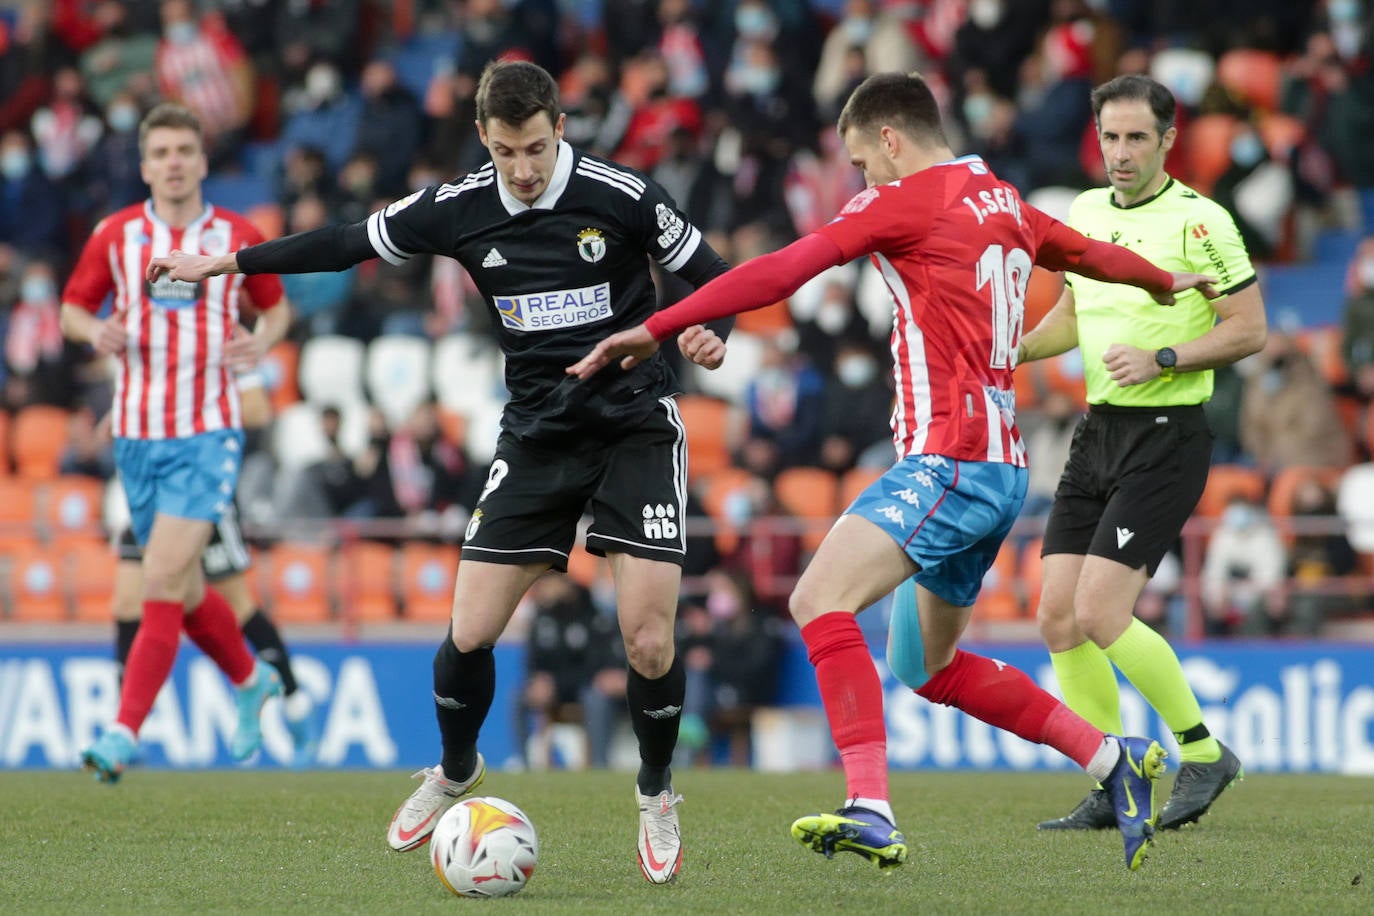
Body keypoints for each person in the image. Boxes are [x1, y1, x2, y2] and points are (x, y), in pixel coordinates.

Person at [568, 71, 1222, 871]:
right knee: (926, 666)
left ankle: (870, 806)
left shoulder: (905, 198)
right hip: (999, 468)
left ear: (889, 139)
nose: (861, 181)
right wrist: (1164, 280)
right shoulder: (1001, 197)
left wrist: (660, 325)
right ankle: (1110, 761)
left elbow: (783, 270)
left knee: (817, 599)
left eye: (860, 163)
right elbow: (1087, 254)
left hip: (948, 459)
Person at [146, 60, 733, 884]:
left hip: (635, 428)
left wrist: (713, 331)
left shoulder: (623, 197)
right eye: (505, 153)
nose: (523, 170)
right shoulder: (459, 207)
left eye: (535, 148)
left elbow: (723, 279)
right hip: (536, 438)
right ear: (483, 141)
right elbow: (348, 243)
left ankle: (655, 788)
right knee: (467, 634)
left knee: (646, 637)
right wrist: (230, 265)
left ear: (561, 128)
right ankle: (457, 769)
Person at [1016, 74, 1266, 833]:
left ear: (1167, 139)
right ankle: (1112, 775)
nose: (1120, 153)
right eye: (1110, 137)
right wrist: (1010, 354)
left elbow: (1249, 329)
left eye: (1135, 138)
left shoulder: (1202, 222)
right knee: (1057, 615)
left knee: (1098, 610)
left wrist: (1164, 356)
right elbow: (1071, 315)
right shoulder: (1086, 212)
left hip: (1166, 436)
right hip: (1098, 432)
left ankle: (1202, 751)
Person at [60, 102, 292, 783]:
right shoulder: (116, 235)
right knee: (184, 590)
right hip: (135, 434)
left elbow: (275, 306)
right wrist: (90, 332)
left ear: (202, 159)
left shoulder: (237, 234)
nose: (173, 162)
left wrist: (262, 339)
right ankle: (251, 681)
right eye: (160, 152)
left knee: (158, 578)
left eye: (184, 150)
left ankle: (123, 731)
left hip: (208, 431)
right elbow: (74, 307)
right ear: (144, 165)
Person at [110, 371, 321, 767]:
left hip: (199, 488)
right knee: (126, 602)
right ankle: (125, 729)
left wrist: (196, 418)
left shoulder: (221, 338)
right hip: (151, 488)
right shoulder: (147, 335)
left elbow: (258, 409)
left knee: (238, 605)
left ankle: (295, 705)